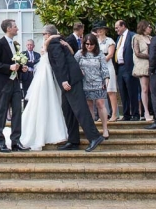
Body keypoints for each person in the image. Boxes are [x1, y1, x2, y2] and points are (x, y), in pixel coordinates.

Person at [44, 24, 103, 152]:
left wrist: (64, 80)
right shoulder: (59, 41)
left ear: (48, 34)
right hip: (68, 80)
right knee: (67, 110)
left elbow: (60, 63)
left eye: (44, 35)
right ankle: (73, 140)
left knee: (80, 109)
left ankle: (94, 137)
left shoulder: (54, 44)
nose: (44, 37)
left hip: (70, 80)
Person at [0, 19, 30, 153]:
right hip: (3, 85)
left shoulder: (15, 45)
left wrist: (21, 68)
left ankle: (16, 142)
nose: (17, 29)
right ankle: (0, 143)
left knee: (17, 112)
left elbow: (14, 63)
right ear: (8, 29)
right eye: (15, 27)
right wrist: (9, 67)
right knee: (1, 114)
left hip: (15, 83)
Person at [18, 32, 68, 150]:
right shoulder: (46, 46)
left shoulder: (50, 47)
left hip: (49, 74)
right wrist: (53, 36)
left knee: (51, 100)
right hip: (44, 76)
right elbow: (45, 46)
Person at [74, 34, 110, 138]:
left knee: (100, 104)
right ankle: (92, 130)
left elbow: (104, 68)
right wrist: (79, 70)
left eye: (91, 44)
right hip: (85, 83)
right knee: (89, 105)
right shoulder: (79, 54)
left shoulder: (100, 54)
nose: (89, 46)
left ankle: (105, 129)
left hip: (98, 81)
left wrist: (106, 79)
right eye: (87, 44)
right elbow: (73, 65)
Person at [114, 20, 139, 121]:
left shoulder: (133, 36)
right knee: (123, 92)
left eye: (117, 27)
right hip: (120, 68)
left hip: (129, 67)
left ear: (123, 26)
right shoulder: (118, 38)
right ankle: (126, 114)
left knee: (132, 91)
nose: (116, 30)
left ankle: (135, 114)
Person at [93, 21, 118, 121]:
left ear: (104, 30)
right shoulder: (95, 41)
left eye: (101, 29)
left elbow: (110, 54)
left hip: (107, 66)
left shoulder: (110, 41)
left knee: (111, 91)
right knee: (100, 91)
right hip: (97, 67)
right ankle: (103, 114)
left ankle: (114, 114)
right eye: (97, 30)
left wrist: (102, 61)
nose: (99, 31)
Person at [131, 20, 153, 122]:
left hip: (152, 66)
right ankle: (146, 112)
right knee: (144, 89)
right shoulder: (136, 37)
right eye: (149, 26)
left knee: (152, 89)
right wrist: (151, 56)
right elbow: (137, 53)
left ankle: (153, 111)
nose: (150, 28)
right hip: (142, 66)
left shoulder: (151, 38)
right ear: (143, 27)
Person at [19, 38, 40, 103]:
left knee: (35, 92)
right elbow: (23, 63)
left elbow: (38, 62)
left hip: (35, 76)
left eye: (31, 45)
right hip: (26, 76)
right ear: (26, 46)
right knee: (26, 93)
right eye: (28, 45)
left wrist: (29, 62)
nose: (29, 46)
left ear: (34, 46)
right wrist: (33, 62)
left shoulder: (37, 54)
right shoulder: (23, 54)